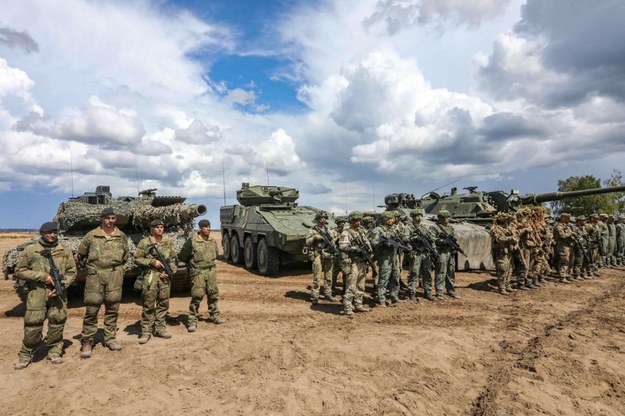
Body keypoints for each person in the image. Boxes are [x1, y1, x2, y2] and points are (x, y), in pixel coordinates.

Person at [14, 222, 76, 369]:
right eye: (49, 232)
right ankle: (26, 354)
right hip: (37, 292)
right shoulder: (31, 250)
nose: (53, 235)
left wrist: (62, 285)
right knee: (33, 324)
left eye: (55, 232)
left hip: (58, 292)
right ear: (42, 233)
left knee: (57, 322)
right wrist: (42, 277)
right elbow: (20, 271)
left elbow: (72, 271)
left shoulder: (64, 250)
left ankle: (54, 351)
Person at [78, 207, 129, 359]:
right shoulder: (91, 236)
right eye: (107, 218)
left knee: (113, 308)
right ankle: (87, 341)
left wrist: (119, 270)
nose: (110, 221)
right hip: (95, 276)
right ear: (101, 219)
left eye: (113, 218)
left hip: (114, 275)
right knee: (92, 310)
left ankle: (110, 338)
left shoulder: (121, 236)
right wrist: (90, 271)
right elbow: (81, 255)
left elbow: (126, 257)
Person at [134, 219, 178, 344]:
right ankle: (146, 331)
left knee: (163, 303)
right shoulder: (145, 242)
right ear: (152, 228)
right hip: (151, 276)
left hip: (164, 278)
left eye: (162, 227)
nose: (160, 229)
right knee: (148, 304)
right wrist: (153, 262)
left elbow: (174, 258)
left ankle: (160, 329)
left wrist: (170, 272)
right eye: (158, 227)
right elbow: (137, 259)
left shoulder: (167, 242)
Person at [179, 219, 225, 333]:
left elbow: (215, 254)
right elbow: (182, 256)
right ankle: (192, 320)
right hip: (198, 272)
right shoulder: (192, 241)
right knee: (197, 296)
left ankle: (214, 316)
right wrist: (192, 267)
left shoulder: (212, 241)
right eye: (205, 227)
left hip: (211, 271)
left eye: (209, 226)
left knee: (213, 294)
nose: (208, 229)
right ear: (200, 229)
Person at [338, 212, 372, 315]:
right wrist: (355, 249)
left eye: (359, 221)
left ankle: (358, 304)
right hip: (352, 262)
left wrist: (368, 251)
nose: (358, 223)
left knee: (361, 285)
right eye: (355, 221)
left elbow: (367, 243)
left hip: (362, 261)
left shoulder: (362, 231)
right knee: (351, 285)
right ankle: (348, 307)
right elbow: (342, 246)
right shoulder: (346, 232)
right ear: (352, 221)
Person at [369, 211, 402, 306]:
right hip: (384, 257)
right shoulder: (378, 230)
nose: (392, 220)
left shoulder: (394, 229)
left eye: (392, 219)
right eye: (390, 219)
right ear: (385, 220)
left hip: (394, 256)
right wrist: (384, 244)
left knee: (395, 276)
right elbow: (374, 243)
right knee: (384, 277)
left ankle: (394, 296)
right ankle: (381, 298)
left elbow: (399, 239)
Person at [305, 211, 337, 305]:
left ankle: (328, 293)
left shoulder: (328, 229)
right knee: (317, 277)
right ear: (318, 220)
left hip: (328, 254)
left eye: (324, 218)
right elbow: (307, 242)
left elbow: (332, 239)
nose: (323, 219)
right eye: (321, 218)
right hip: (318, 254)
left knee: (329, 276)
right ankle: (315, 296)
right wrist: (314, 237)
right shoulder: (313, 230)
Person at [405, 209, 436, 302]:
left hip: (426, 253)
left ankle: (428, 292)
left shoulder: (425, 227)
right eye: (417, 216)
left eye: (420, 215)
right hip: (416, 253)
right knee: (414, 273)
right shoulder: (409, 227)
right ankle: (412, 293)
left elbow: (431, 239)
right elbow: (405, 238)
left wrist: (433, 250)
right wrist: (415, 238)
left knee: (427, 273)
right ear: (413, 217)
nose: (419, 217)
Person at [430, 210, 461, 300]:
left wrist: (454, 243)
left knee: (451, 271)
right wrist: (441, 241)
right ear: (441, 218)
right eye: (446, 217)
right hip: (441, 251)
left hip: (449, 252)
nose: (447, 219)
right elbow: (432, 238)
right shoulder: (435, 227)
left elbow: (455, 236)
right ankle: (439, 292)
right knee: (441, 272)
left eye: (448, 217)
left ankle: (451, 290)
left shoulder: (450, 227)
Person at [489, 213, 516, 295]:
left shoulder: (508, 229)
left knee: (510, 269)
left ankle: (507, 285)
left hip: (509, 251)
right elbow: (500, 239)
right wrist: (511, 239)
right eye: (506, 220)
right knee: (502, 269)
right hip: (501, 252)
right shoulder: (495, 229)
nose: (507, 222)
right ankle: (501, 287)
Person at [553, 212, 574, 283]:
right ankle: (562, 276)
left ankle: (567, 274)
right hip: (562, 246)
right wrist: (570, 234)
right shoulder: (559, 227)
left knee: (569, 261)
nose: (569, 219)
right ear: (562, 218)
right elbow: (562, 236)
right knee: (564, 261)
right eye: (567, 218)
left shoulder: (567, 226)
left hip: (568, 245)